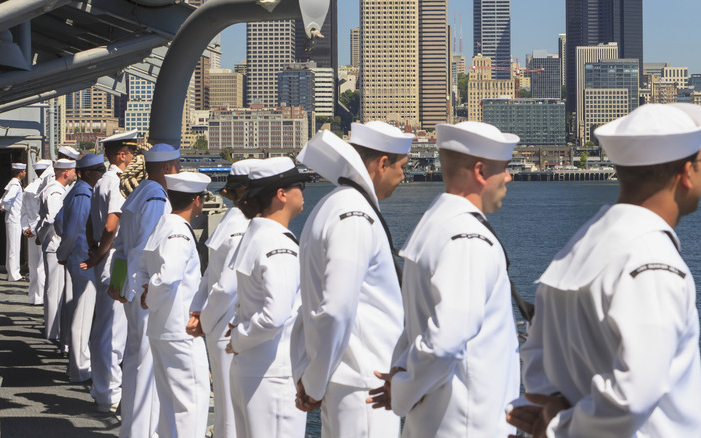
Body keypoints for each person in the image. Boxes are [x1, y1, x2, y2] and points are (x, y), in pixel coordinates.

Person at [508, 103, 701, 438]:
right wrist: (561, 426)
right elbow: (632, 397)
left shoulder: (575, 249)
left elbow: (534, 356)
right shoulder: (654, 263)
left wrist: (555, 407)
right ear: (686, 174)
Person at [367, 121, 521, 437]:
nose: (509, 177)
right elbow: (448, 335)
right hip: (466, 425)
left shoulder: (435, 225)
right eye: (503, 168)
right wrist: (404, 387)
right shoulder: (467, 238)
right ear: (480, 172)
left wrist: (403, 370)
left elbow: (416, 327)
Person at [291, 123, 414, 437]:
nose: (404, 176)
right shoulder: (354, 214)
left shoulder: (335, 205)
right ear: (381, 164)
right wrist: (314, 385)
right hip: (365, 384)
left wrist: (313, 376)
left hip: (347, 381)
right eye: (402, 167)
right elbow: (335, 309)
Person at [219, 157, 310, 437]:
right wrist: (238, 338)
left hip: (252, 369)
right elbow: (274, 316)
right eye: (299, 187)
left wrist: (239, 334)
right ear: (281, 194)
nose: (303, 193)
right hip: (273, 374)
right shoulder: (278, 243)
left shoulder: (256, 234)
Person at [109, 143, 178, 438]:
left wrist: (119, 282)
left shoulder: (138, 192)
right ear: (167, 168)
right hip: (144, 289)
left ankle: (132, 429)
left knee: (135, 356)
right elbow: (145, 249)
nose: (178, 172)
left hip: (131, 284)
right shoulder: (157, 198)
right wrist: (145, 287)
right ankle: (143, 432)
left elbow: (123, 247)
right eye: (177, 166)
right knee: (147, 364)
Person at [136, 171, 212, 438]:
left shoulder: (163, 224)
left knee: (169, 403)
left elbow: (143, 266)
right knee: (191, 402)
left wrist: (147, 294)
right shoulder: (179, 231)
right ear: (196, 200)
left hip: (162, 328)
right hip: (181, 329)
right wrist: (153, 299)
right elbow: (168, 277)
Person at [193, 159, 258, 438]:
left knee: (226, 407)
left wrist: (199, 313)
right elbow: (227, 285)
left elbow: (208, 277)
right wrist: (204, 320)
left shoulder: (231, 221)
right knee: (234, 409)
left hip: (221, 325)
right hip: (229, 324)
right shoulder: (243, 226)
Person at [83, 130, 137, 413]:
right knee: (113, 330)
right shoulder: (115, 182)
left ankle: (101, 387)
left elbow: (92, 223)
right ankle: (109, 393)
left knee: (105, 325)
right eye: (131, 153)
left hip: (108, 260)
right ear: (121, 155)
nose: (134, 158)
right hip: (116, 261)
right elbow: (110, 225)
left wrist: (95, 252)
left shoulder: (101, 181)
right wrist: (102, 253)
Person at [57, 154, 106, 382]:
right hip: (83, 259)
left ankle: (77, 366)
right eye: (98, 170)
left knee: (83, 312)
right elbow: (70, 230)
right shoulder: (84, 194)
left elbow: (59, 221)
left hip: (82, 257)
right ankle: (80, 369)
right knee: (83, 315)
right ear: (86, 173)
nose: (102, 174)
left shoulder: (77, 191)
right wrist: (64, 254)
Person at [36, 159, 77, 342]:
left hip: (55, 244)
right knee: (55, 290)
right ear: (65, 172)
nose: (75, 174)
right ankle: (54, 332)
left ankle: (55, 330)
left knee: (57, 289)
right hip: (55, 244)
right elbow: (52, 219)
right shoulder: (55, 191)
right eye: (73, 171)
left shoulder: (56, 189)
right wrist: (41, 237)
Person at [22, 159, 52, 305]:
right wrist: (34, 230)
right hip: (40, 230)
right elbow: (45, 214)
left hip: (30, 231)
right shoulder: (44, 188)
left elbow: (23, 212)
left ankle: (33, 296)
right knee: (42, 266)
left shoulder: (28, 188)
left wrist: (25, 229)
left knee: (33, 266)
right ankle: (40, 298)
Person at [0, 163, 27, 282]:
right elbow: (6, 199)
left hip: (12, 218)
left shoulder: (13, 184)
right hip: (14, 218)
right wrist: (6, 207)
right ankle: (14, 274)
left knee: (12, 247)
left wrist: (4, 206)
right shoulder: (15, 185)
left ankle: (11, 272)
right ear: (20, 172)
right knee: (14, 247)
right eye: (24, 171)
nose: (25, 173)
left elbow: (2, 199)